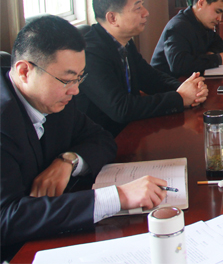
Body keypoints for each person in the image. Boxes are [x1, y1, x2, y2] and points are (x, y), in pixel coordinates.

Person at [1, 16, 167, 261]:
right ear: (25, 71)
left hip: (52, 233)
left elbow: (101, 138)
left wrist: (68, 161)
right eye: (67, 80)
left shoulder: (57, 99)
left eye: (79, 78)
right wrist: (118, 197)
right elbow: (7, 218)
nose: (75, 90)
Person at [77, 0, 208, 137]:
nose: (146, 13)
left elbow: (150, 78)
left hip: (130, 131)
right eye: (137, 7)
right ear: (112, 18)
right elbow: (121, 108)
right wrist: (180, 97)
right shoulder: (90, 54)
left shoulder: (124, 43)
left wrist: (190, 89)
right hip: (103, 140)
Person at [151, 0, 223, 77]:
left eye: (222, 14)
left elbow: (218, 42)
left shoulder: (200, 23)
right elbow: (179, 66)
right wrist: (217, 59)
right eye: (217, 11)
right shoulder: (178, 27)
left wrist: (210, 54)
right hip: (166, 83)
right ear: (201, 3)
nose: (219, 19)